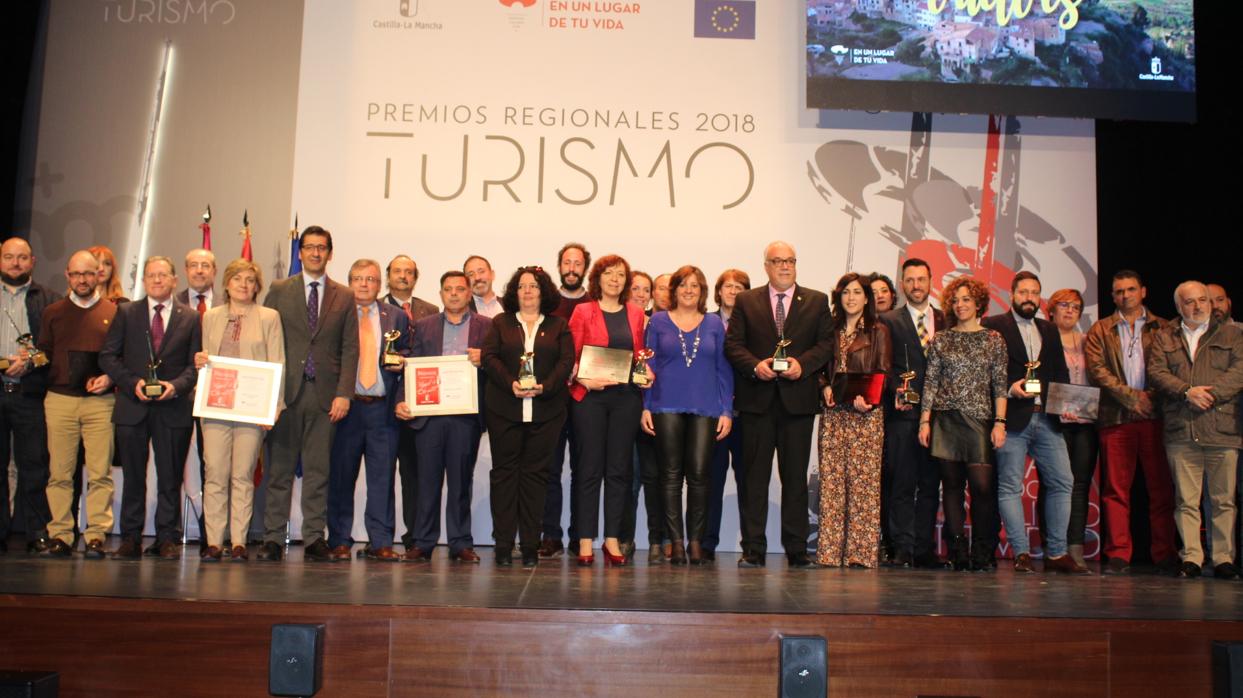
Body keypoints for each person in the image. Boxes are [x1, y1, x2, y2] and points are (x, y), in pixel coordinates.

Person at [724, 241, 834, 568]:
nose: (784, 266)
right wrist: (755, 365)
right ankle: (753, 549)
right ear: (766, 266)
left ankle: (797, 550)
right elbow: (733, 345)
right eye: (777, 261)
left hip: (797, 402)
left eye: (790, 261)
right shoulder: (747, 300)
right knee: (754, 480)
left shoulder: (816, 301)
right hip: (757, 402)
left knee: (795, 480)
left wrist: (804, 364)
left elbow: (826, 343)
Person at [259, 225, 359, 562]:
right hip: (286, 395)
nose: (316, 253)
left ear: (330, 253)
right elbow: (264, 339)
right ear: (300, 252)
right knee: (279, 471)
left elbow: (350, 348)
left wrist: (344, 393)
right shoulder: (278, 289)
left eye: (322, 248)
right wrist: (267, 394)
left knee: (319, 472)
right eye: (310, 247)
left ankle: (315, 536)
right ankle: (273, 537)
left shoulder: (343, 296)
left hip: (325, 396)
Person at [983, 272, 1086, 574]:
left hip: (1048, 418)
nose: (1029, 297)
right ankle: (1021, 553)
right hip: (1012, 417)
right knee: (1010, 486)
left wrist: (1068, 405)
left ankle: (1056, 553)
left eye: (1034, 292)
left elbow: (1059, 374)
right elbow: (987, 373)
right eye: (1023, 291)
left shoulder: (1049, 329)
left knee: (1063, 481)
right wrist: (1008, 390)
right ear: (1011, 294)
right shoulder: (993, 326)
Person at [99, 256, 201, 559]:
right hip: (133, 405)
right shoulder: (127, 312)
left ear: (174, 280)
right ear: (143, 281)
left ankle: (167, 538)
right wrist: (132, 384)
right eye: (151, 276)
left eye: (163, 275)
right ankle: (130, 537)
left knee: (170, 478)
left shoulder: (191, 317)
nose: (157, 280)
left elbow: (195, 365)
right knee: (133, 476)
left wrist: (176, 387)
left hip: (173, 407)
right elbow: (108, 357)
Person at [1147, 281, 1243, 580]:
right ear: (1179, 306)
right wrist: (1187, 391)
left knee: (1222, 499)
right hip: (1181, 428)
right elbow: (1156, 372)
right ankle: (1191, 557)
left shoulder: (1233, 333)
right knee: (1186, 500)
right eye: (1190, 302)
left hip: (1222, 427)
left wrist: (1210, 395)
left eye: (1203, 300)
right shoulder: (1164, 336)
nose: (1199, 306)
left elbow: (1239, 370)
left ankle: (1223, 559)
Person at [1084, 270, 1177, 575]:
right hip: (1116, 418)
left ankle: (1164, 553)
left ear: (1143, 292)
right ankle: (1118, 553)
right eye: (1119, 291)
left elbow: (1169, 369)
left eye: (1131, 290)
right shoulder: (1100, 329)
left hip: (1155, 417)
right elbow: (1097, 370)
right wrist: (1131, 397)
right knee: (1115, 490)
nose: (1125, 295)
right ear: (1112, 296)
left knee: (1161, 490)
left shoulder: (1163, 327)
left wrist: (1149, 397)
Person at [481, 266, 574, 568]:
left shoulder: (558, 325)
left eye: (533, 286)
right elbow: (489, 357)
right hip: (505, 410)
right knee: (504, 476)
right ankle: (504, 545)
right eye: (522, 286)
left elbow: (566, 361)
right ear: (514, 292)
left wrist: (544, 387)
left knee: (536, 478)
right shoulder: (501, 323)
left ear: (543, 291)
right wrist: (511, 384)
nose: (528, 291)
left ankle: (531, 544)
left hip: (546, 412)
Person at [640, 265, 733, 565]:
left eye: (695, 285)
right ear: (674, 290)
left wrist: (726, 410)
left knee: (699, 476)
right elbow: (646, 368)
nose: (689, 290)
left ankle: (696, 541)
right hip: (665, 404)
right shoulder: (657, 321)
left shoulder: (714, 323)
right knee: (669, 476)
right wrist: (645, 405)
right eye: (683, 285)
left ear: (703, 291)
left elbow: (723, 369)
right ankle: (676, 543)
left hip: (706, 407)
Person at [396, 271, 491, 563]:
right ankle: (423, 542)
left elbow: (498, 367)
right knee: (427, 480)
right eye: (448, 289)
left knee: (461, 481)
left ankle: (460, 542)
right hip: (430, 416)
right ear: (440, 294)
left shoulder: (487, 327)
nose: (453, 294)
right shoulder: (423, 326)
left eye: (459, 289)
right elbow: (411, 366)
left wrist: (484, 359)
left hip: (465, 416)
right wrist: (402, 400)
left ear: (468, 294)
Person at [194, 259, 284, 562]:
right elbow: (207, 358)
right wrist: (200, 361)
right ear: (227, 284)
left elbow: (277, 363)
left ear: (257, 286)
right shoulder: (211, 317)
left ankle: (240, 542)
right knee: (215, 473)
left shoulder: (269, 317)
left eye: (250, 280)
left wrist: (274, 407)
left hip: (252, 408)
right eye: (237, 279)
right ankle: (214, 542)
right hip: (216, 405)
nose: (244, 285)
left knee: (243, 475)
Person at [918, 276, 1007, 571]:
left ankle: (983, 551)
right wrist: (925, 421)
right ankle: (958, 552)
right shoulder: (942, 338)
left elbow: (1000, 385)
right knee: (952, 488)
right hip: (946, 419)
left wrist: (1000, 422)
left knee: (982, 488)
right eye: (956, 300)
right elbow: (930, 383)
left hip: (981, 420)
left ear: (978, 302)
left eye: (966, 299)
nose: (960, 305)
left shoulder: (993, 339)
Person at [325, 259, 409, 563]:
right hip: (346, 408)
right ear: (349, 282)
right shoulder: (336, 315)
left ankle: (381, 541)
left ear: (380, 284)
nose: (364, 284)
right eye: (358, 278)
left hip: (382, 410)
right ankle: (338, 539)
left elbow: (407, 356)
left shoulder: (396, 317)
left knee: (382, 478)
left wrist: (401, 383)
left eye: (371, 279)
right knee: (341, 476)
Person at [568, 254, 648, 567]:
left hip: (626, 397)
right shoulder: (583, 310)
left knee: (619, 471)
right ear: (597, 279)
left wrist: (645, 372)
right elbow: (570, 356)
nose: (615, 279)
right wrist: (583, 379)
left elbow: (639, 354)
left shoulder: (636, 312)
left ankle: (611, 538)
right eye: (609, 274)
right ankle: (585, 539)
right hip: (590, 398)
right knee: (589, 469)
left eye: (620, 275)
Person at [37, 251, 118, 558]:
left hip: (101, 402)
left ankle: (96, 534)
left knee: (99, 473)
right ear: (67, 275)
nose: (82, 280)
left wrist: (110, 377)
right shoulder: (53, 312)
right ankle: (60, 533)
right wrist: (27, 359)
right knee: (59, 472)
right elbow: (43, 352)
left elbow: (121, 356)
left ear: (99, 274)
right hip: (59, 400)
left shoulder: (114, 311)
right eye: (76, 274)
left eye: (88, 274)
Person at [816, 273, 891, 568]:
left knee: (864, 486)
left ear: (866, 298)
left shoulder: (878, 331)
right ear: (838, 297)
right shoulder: (829, 330)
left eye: (857, 292)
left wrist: (869, 402)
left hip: (866, 418)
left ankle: (860, 553)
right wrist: (823, 387)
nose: (851, 298)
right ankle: (830, 552)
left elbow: (883, 372)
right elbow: (820, 368)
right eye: (846, 292)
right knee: (833, 484)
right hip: (834, 416)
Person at [879, 258, 945, 568]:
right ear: (902, 285)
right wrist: (895, 391)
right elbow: (884, 364)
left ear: (931, 282)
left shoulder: (946, 320)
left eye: (921, 279)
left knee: (931, 484)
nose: (916, 285)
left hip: (940, 417)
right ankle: (902, 547)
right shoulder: (889, 320)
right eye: (910, 280)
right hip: (903, 415)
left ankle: (924, 548)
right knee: (902, 483)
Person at [0, 238, 59, 555]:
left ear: (33, 261)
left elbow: (52, 349)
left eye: (22, 257)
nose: (15, 263)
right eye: (9, 257)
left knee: (34, 465)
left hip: (29, 393)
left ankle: (37, 532)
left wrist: (30, 362)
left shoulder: (47, 299)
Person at [381, 254, 438, 552]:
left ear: (416, 277)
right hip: (385, 400)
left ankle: (415, 535)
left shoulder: (431, 310)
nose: (403, 276)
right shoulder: (374, 309)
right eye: (398, 271)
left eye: (409, 272)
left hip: (421, 402)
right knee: (383, 473)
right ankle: (382, 538)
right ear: (388, 275)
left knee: (415, 473)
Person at [539, 242, 592, 558]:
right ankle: (551, 535)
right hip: (553, 398)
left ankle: (579, 535)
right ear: (559, 266)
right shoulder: (548, 304)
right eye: (567, 262)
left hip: (587, 397)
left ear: (585, 267)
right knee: (550, 468)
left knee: (583, 470)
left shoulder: (596, 302)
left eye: (578, 263)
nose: (572, 268)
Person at [1045, 288, 1098, 569]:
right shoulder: (1044, 340)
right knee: (1054, 484)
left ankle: (1074, 548)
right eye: (1063, 305)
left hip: (1085, 422)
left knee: (1079, 485)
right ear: (1051, 309)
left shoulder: (1089, 341)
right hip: (1055, 421)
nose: (1069, 310)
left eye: (1075, 306)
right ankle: (1053, 546)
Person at [704, 268, 749, 561]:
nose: (733, 291)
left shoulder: (757, 324)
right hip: (712, 413)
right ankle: (706, 543)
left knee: (749, 482)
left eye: (739, 286)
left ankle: (752, 545)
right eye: (728, 286)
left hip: (747, 414)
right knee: (710, 481)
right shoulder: (706, 323)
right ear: (718, 292)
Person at [176, 247, 219, 555]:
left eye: (206, 266)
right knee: (172, 466)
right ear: (186, 270)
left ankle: (212, 534)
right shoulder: (171, 305)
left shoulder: (229, 306)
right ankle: (168, 533)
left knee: (212, 468)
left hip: (217, 399)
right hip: (177, 398)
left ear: (215, 272)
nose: (200, 271)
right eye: (194, 266)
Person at [621, 269, 661, 561]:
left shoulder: (659, 325)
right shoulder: (619, 324)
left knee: (654, 478)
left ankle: (657, 541)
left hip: (653, 410)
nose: (640, 293)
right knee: (628, 480)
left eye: (646, 290)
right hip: (623, 410)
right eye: (635, 288)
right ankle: (625, 539)